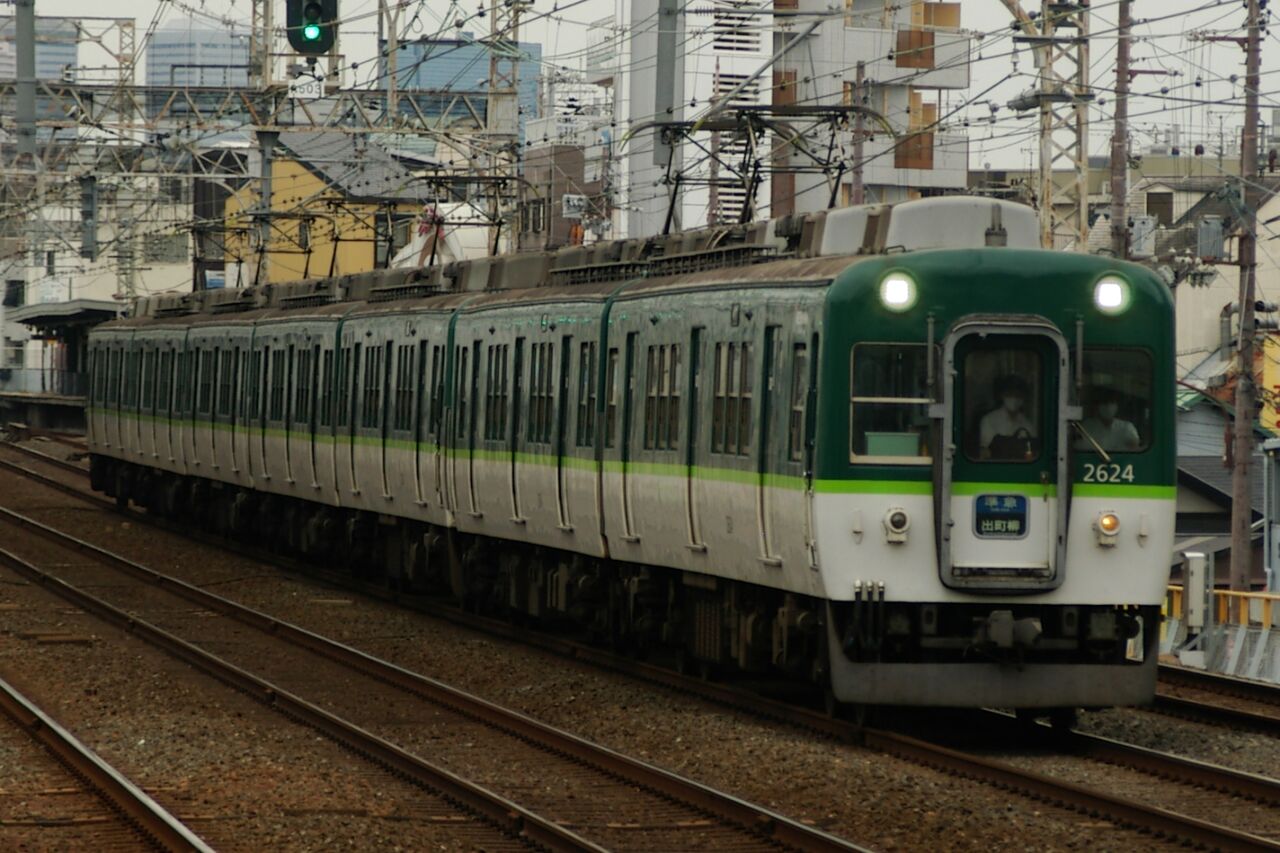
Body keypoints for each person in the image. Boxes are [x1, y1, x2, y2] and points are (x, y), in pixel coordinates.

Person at [979, 375, 1037, 460]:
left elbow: (1032, 451)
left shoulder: (1027, 424)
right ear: (1002, 395)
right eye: (1010, 394)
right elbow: (984, 452)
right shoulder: (989, 420)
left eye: (1018, 396)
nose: (1014, 399)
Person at [1076, 387, 1140, 452]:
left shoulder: (1127, 427)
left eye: (1112, 402)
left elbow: (1134, 448)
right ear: (1097, 406)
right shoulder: (1086, 427)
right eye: (1104, 403)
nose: (1108, 407)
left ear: (1117, 406)